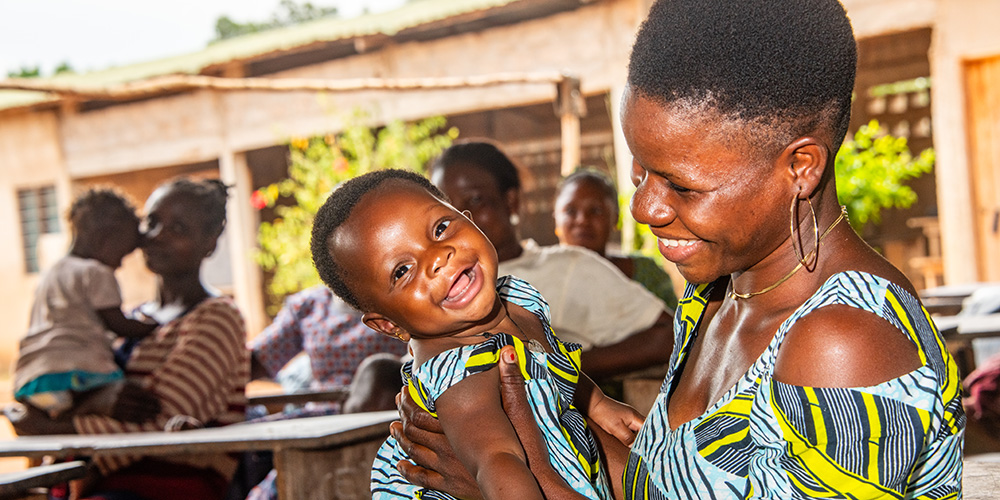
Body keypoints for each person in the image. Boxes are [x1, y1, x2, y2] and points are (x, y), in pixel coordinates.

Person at [391, 0, 965, 498]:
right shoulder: (717, 291)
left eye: (682, 186)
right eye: (641, 172)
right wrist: (513, 436)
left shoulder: (845, 344)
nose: (645, 209)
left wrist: (521, 482)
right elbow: (663, 485)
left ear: (800, 167)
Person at [310, 169, 642, 499]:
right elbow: (497, 461)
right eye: (402, 270)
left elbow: (555, 364)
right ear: (388, 324)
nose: (438, 257)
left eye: (440, 228)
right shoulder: (459, 374)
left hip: (557, 456)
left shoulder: (517, 300)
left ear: (470, 222)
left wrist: (597, 403)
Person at [10, 177, 249, 500]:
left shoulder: (217, 318)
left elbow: (160, 420)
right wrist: (96, 403)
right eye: (151, 222)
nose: (157, 236)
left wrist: (52, 429)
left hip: (168, 483)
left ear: (210, 243)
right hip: (94, 480)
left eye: (178, 229)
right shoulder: (129, 320)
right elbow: (79, 389)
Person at [428, 140, 674, 380]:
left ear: (510, 201)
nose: (461, 218)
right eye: (447, 210)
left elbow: (666, 335)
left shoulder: (567, 267)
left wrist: (555, 370)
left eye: (475, 200)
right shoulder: (434, 286)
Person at [14, 187, 158, 419]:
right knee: (127, 398)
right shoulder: (97, 272)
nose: (119, 266)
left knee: (52, 426)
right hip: (79, 371)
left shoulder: (53, 272)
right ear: (105, 239)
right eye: (122, 255)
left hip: (37, 376)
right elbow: (118, 324)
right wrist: (151, 326)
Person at [249, 284, 408, 399]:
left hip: (385, 413)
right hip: (321, 419)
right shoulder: (310, 306)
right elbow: (257, 360)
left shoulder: (404, 300)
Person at [553, 168, 678, 309]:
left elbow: (674, 327)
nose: (582, 220)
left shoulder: (647, 274)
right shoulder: (541, 279)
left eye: (596, 211)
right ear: (555, 217)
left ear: (616, 218)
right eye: (570, 211)